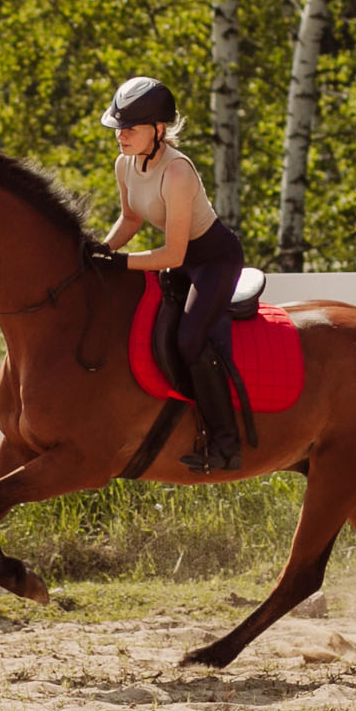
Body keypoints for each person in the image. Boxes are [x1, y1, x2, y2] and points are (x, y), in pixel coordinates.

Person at [90, 76, 246, 472]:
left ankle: (227, 445)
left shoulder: (177, 173)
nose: (119, 136)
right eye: (117, 128)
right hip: (176, 257)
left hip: (212, 260)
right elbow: (130, 219)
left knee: (190, 339)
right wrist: (101, 250)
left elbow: (174, 253)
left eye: (129, 129)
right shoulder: (125, 163)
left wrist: (121, 262)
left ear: (159, 130)